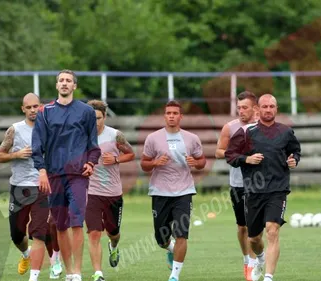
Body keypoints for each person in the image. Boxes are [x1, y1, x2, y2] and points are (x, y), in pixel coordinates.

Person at [32, 70, 101, 281]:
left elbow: (93, 146)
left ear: (74, 86)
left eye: (68, 81)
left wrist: (90, 163)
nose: (64, 83)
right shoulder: (45, 112)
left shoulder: (87, 112)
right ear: (56, 86)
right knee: (60, 225)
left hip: (78, 175)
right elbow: (37, 146)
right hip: (54, 175)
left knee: (77, 222)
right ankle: (69, 271)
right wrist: (42, 171)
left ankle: (78, 272)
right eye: (61, 80)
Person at [225, 94, 301, 281]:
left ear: (276, 108)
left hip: (278, 189)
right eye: (265, 106)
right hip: (253, 191)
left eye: (272, 106)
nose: (268, 110)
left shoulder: (285, 132)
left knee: (273, 230)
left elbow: (295, 151)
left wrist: (294, 160)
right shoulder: (246, 132)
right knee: (254, 239)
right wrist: (246, 159)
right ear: (258, 110)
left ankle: (268, 277)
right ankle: (259, 257)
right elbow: (230, 155)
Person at [0, 93, 61, 281]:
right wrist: (17, 155)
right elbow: (0, 156)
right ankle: (26, 254)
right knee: (16, 234)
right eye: (29, 107)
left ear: (40, 107)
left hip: (42, 186)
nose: (33, 110)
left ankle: (35, 276)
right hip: (19, 187)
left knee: (39, 232)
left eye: (35, 106)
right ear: (22, 109)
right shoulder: (14, 130)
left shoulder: (49, 129)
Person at [140, 100, 207, 281]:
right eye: (168, 113)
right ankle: (170, 249)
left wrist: (195, 163)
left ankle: (174, 276)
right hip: (160, 192)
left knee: (182, 234)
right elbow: (144, 164)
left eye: (175, 113)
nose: (171, 116)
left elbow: (202, 162)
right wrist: (155, 163)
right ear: (164, 116)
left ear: (181, 116)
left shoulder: (192, 138)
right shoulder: (153, 138)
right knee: (161, 239)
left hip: (184, 192)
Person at [85, 100, 135, 281]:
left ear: (104, 117)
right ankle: (98, 273)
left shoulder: (115, 135)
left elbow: (131, 154)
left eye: (98, 118)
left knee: (113, 232)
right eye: (91, 118)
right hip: (90, 192)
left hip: (113, 192)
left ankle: (113, 246)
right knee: (94, 232)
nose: (95, 122)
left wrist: (115, 159)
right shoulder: (80, 136)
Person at [215, 91, 258, 281]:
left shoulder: (263, 127)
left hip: (260, 184)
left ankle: (255, 265)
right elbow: (218, 152)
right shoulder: (230, 128)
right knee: (242, 227)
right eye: (238, 107)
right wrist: (239, 155)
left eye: (245, 107)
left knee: (255, 227)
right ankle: (247, 259)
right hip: (238, 184)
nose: (241, 111)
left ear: (254, 108)